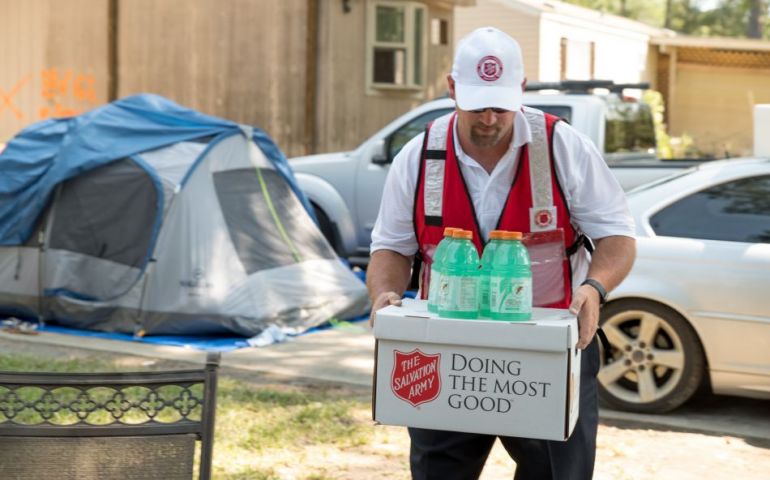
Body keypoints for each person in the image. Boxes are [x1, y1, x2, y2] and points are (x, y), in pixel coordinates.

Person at [366, 26, 636, 480]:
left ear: (522, 91)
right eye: (476, 105)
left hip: (547, 347)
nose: (489, 118)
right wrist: (385, 294)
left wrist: (595, 288)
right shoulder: (419, 155)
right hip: (447, 349)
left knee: (555, 472)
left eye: (500, 105)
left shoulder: (562, 146)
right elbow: (392, 247)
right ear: (452, 89)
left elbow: (617, 237)